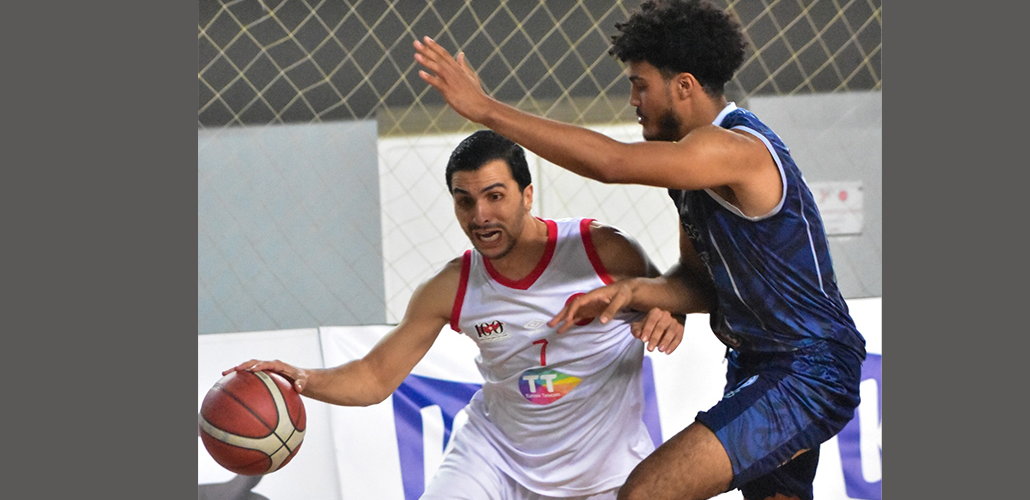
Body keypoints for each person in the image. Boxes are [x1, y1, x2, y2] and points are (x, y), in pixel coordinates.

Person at [412, 1, 868, 500]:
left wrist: (485, 109)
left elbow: (612, 163)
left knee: (644, 492)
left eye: (640, 84)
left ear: (684, 86)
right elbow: (698, 285)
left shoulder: (734, 148)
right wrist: (631, 291)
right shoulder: (692, 174)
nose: (632, 99)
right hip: (759, 362)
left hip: (807, 366)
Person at [225, 130, 712, 500]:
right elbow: (374, 378)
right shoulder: (452, 286)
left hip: (605, 473)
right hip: (493, 460)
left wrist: (673, 318)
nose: (480, 216)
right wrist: (301, 379)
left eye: (495, 196)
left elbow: (677, 293)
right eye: (465, 201)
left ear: (527, 195)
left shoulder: (601, 249)